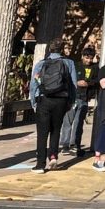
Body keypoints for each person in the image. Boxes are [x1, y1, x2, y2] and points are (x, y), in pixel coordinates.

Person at [29, 38, 77, 173]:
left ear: (49, 50)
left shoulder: (41, 64)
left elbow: (34, 85)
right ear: (62, 50)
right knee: (56, 130)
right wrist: (70, 102)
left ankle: (40, 164)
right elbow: (73, 85)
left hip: (44, 100)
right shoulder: (69, 63)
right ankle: (53, 157)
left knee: (42, 133)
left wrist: (34, 102)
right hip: (61, 101)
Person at [62, 46, 98, 156]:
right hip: (73, 97)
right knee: (68, 121)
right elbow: (67, 79)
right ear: (83, 56)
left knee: (79, 123)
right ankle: (65, 144)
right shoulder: (76, 66)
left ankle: (75, 144)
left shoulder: (95, 68)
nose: (89, 60)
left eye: (91, 58)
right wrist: (77, 82)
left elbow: (97, 81)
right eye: (87, 58)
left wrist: (89, 83)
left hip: (84, 98)